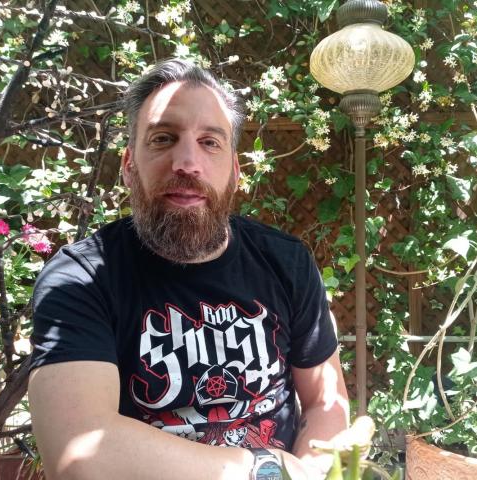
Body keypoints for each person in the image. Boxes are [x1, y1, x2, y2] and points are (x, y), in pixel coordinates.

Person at [28, 59, 352, 480]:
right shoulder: (81, 279)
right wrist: (266, 469)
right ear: (128, 165)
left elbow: (325, 403)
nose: (186, 162)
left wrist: (311, 472)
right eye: (163, 139)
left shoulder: (286, 262)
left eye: (209, 142)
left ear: (235, 171)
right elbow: (80, 456)